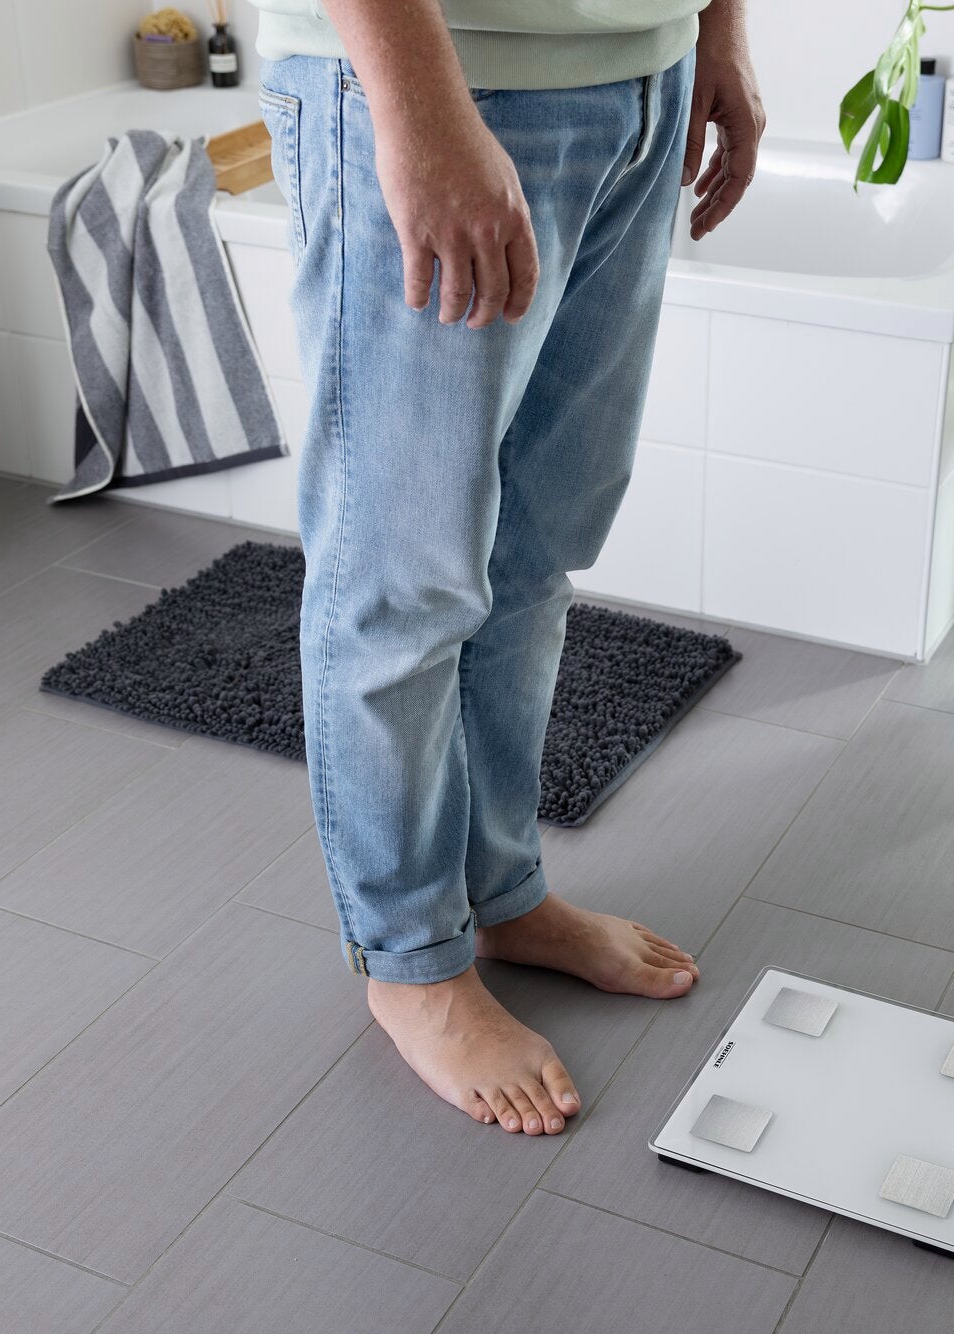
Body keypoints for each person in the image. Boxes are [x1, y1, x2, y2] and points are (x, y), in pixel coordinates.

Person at [252, 0, 763, 1136]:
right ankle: (411, 964)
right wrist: (421, 111)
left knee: (536, 549)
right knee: (401, 577)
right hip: (447, 79)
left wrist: (715, 29)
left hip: (643, 77)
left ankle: (501, 894)